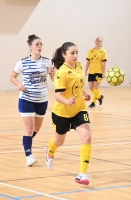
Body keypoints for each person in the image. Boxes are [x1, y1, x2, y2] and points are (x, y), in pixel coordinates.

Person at [45, 42, 92, 185]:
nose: (76, 55)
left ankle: (82, 174)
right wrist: (67, 101)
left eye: (77, 52)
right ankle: (50, 152)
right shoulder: (62, 73)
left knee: (87, 136)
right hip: (62, 112)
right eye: (72, 53)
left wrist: (84, 94)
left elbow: (77, 86)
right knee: (59, 141)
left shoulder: (79, 66)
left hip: (79, 109)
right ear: (64, 55)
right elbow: (57, 96)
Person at [10, 34, 54, 166]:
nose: (39, 46)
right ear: (31, 47)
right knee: (29, 128)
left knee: (36, 128)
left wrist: (53, 72)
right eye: (37, 44)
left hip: (42, 99)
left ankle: (26, 140)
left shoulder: (47, 62)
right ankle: (28, 155)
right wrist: (19, 85)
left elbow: (53, 79)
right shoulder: (23, 62)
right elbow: (12, 76)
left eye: (41, 44)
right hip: (26, 99)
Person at [85, 37, 107, 108]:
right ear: (95, 42)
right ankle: (99, 97)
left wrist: (103, 73)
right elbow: (88, 62)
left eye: (99, 41)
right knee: (91, 87)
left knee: (96, 87)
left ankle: (93, 103)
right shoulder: (90, 51)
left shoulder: (103, 52)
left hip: (99, 72)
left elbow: (104, 63)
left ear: (101, 43)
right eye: (97, 41)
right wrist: (85, 71)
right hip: (91, 72)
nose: (98, 42)